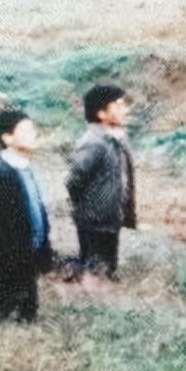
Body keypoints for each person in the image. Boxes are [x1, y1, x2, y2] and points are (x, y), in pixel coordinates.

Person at [0, 110, 54, 322]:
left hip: (29, 258)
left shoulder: (25, 169)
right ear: (7, 138)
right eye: (26, 131)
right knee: (1, 316)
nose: (34, 134)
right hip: (10, 263)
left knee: (27, 317)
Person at [66, 85, 136, 280]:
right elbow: (74, 181)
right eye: (118, 106)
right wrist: (90, 208)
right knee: (95, 270)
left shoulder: (117, 138)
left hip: (111, 218)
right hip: (95, 222)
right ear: (101, 114)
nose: (124, 110)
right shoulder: (93, 142)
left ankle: (103, 281)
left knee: (107, 264)